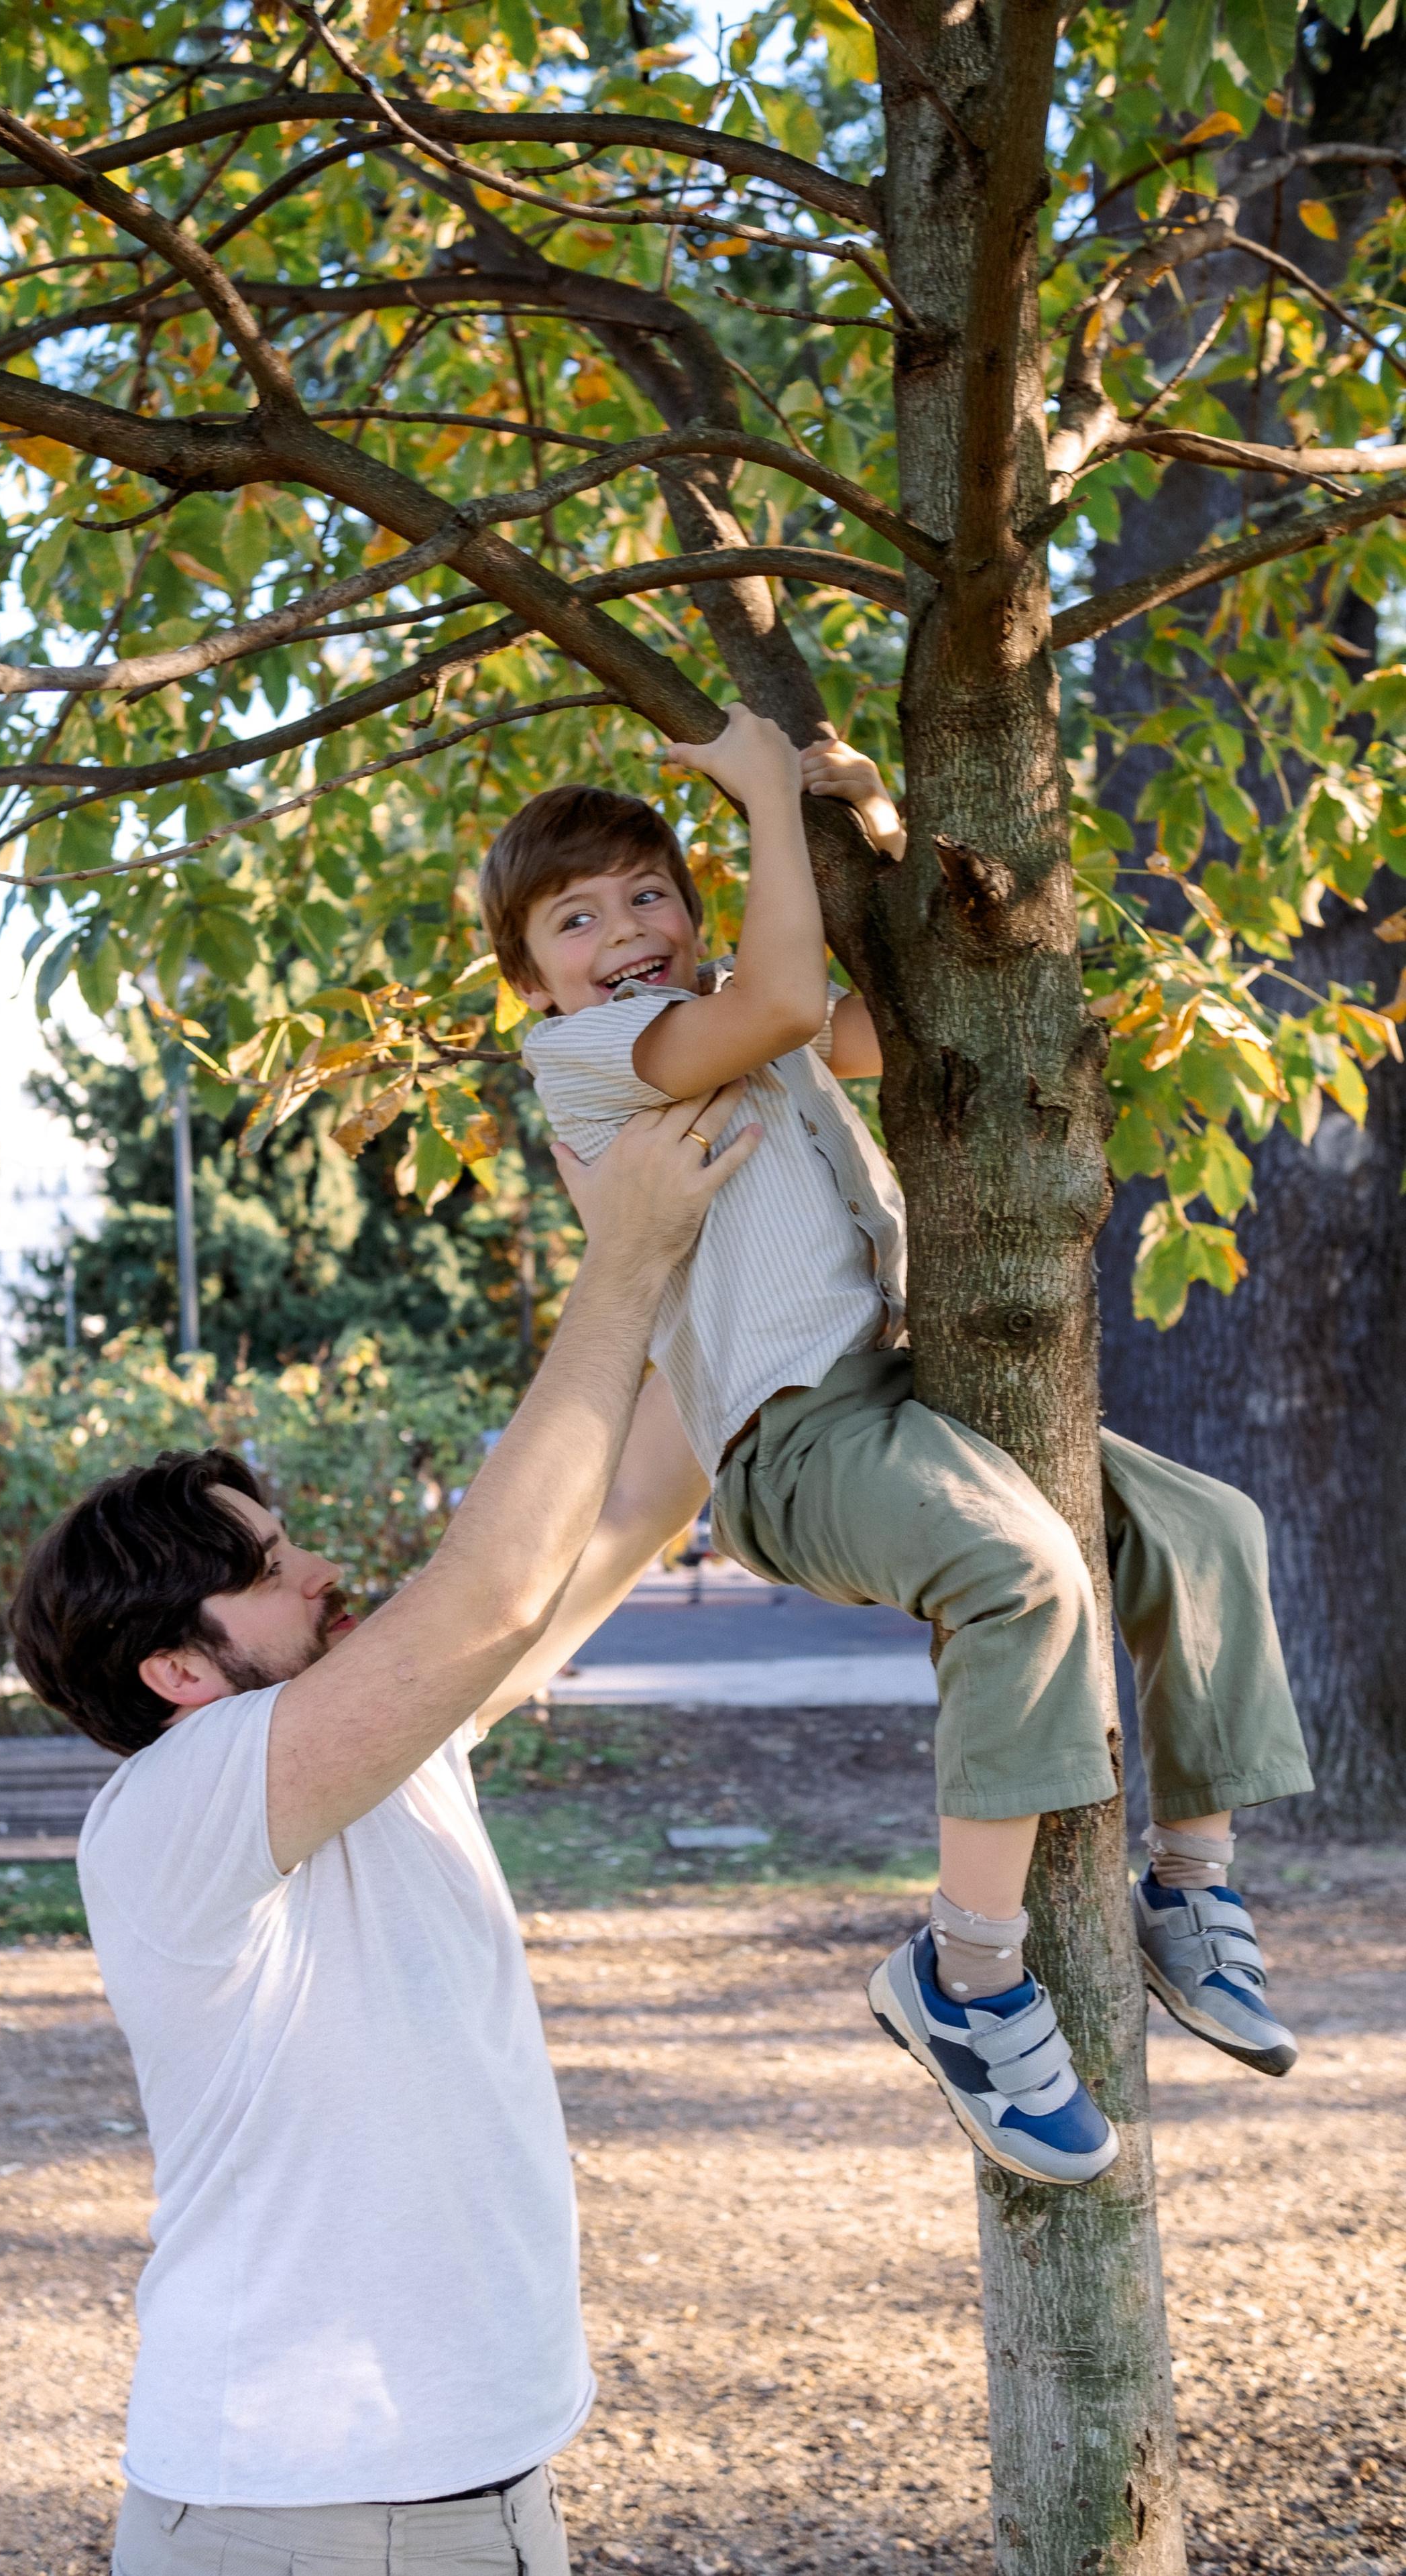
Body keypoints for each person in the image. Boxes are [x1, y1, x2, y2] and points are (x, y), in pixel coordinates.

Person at [477, 707, 1313, 2191]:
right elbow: (795, 1004)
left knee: (1205, 1528)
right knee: (1023, 1575)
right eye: (574, 916)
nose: (624, 931)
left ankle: (1188, 1888)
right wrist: (754, 800)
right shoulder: (593, 1057)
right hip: (792, 1442)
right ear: (528, 976)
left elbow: (903, 1004)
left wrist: (861, 828)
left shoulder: (738, 1006)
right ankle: (967, 1977)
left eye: (645, 893)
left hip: (916, 1390)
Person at [7, 1088, 759, 2576]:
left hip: (485, 2492)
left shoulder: (394, 1750)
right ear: (176, 1666)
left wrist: (733, 1213)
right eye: (275, 1569)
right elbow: (479, 1594)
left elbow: (639, 1487)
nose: (324, 1571)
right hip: (299, 2516)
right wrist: (612, 1262)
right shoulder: (171, 1809)